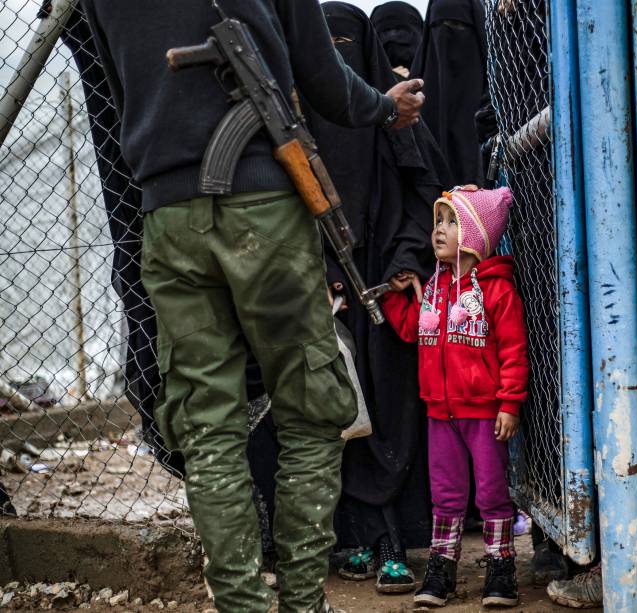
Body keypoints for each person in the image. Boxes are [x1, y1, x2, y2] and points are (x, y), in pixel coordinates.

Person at [78, 1, 425, 611]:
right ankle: (301, 600)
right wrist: (384, 106)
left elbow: (116, 86)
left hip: (169, 218)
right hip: (264, 206)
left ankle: (241, 602)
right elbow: (325, 80)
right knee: (314, 410)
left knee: (206, 424)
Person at [301, 1, 449, 596]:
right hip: (321, 284)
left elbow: (425, 193)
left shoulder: (394, 118)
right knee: (336, 413)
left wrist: (404, 263)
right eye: (326, 48)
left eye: (348, 48)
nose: (339, 57)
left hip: (387, 289)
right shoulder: (300, 118)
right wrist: (315, 267)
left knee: (388, 407)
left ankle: (394, 539)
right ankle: (360, 538)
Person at [382, 185, 528, 608]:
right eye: (438, 222)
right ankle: (442, 568)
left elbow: (514, 351)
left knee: (490, 490)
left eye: (450, 222)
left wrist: (509, 403)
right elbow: (413, 329)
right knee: (445, 492)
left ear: (475, 235)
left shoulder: (496, 291)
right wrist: (400, 294)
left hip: (484, 414)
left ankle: (501, 568)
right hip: (439, 413)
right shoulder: (433, 287)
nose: (438, 231)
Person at [411, 0, 488, 187]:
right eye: (438, 27)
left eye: (458, 26)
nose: (446, 35)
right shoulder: (413, 102)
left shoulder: (496, 100)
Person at [370, 1, 424, 79]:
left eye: (402, 30)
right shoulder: (358, 82)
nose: (392, 35)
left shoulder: (440, 74)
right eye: (385, 32)